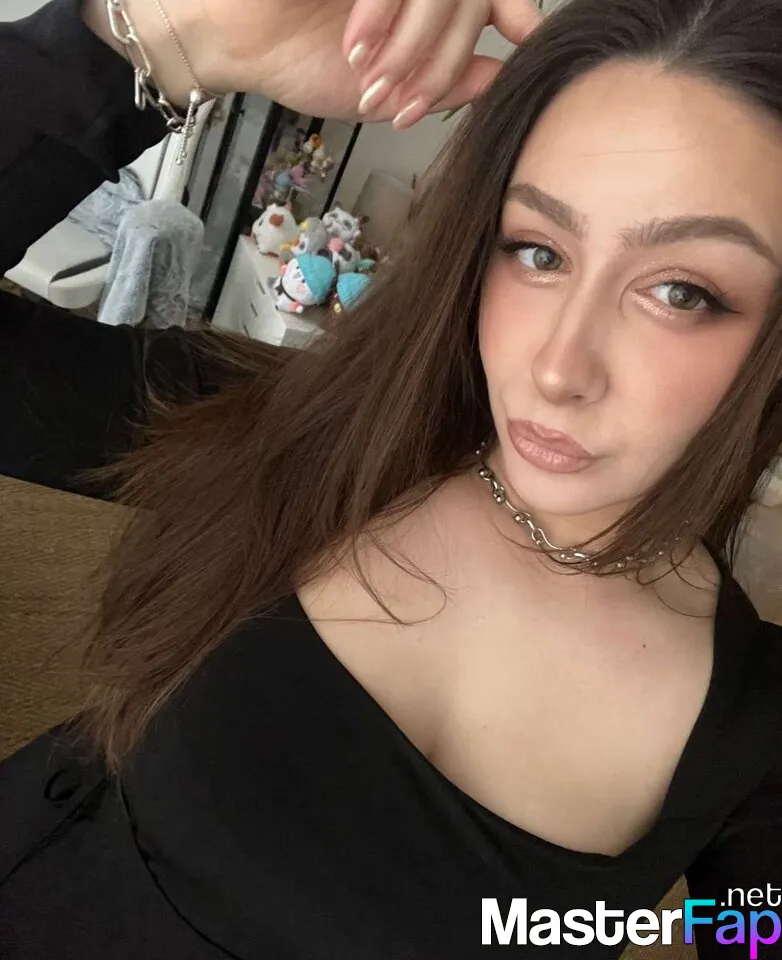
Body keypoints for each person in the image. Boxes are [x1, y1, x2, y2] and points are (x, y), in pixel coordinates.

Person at [0, 0, 781, 956]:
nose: (557, 369)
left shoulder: (751, 730)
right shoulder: (311, 429)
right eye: (538, 251)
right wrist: (153, 41)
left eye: (681, 292)